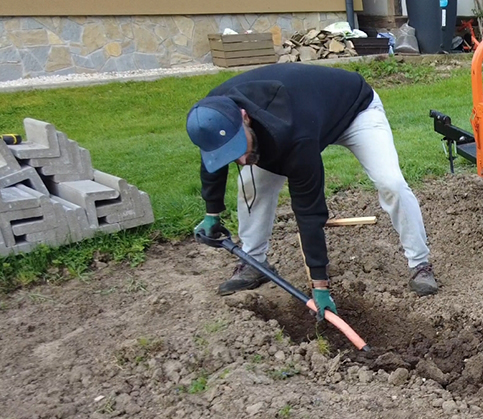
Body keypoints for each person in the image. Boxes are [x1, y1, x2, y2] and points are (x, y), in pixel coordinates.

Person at [185, 63, 437, 321]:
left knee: (391, 183)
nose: (240, 160)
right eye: (231, 154)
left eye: (241, 147)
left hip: (355, 110)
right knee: (251, 183)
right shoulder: (213, 115)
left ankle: (420, 264)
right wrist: (212, 212)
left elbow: (309, 210)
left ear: (245, 117)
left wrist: (320, 286)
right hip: (307, 112)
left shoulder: (294, 133)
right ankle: (253, 262)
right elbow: (212, 163)